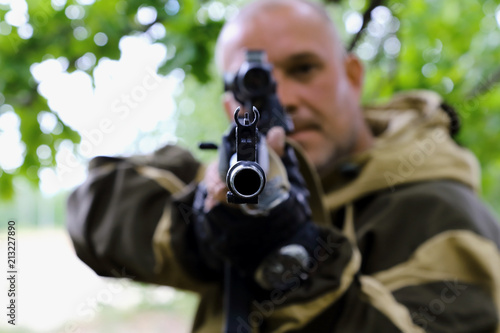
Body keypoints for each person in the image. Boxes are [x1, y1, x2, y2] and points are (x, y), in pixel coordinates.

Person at [67, 0, 500, 332]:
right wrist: (200, 231)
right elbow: (91, 209)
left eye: (304, 68)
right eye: (250, 84)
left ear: (352, 75)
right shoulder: (226, 185)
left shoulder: (436, 208)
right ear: (229, 106)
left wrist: (294, 261)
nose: (283, 98)